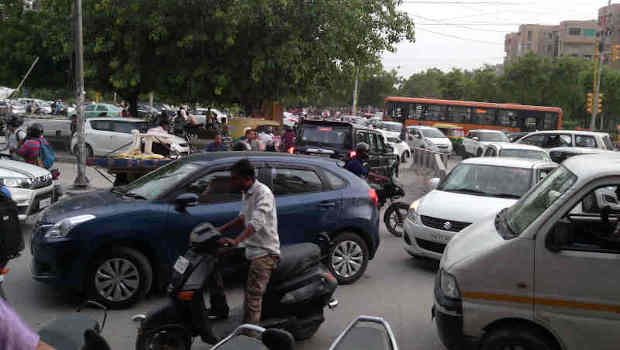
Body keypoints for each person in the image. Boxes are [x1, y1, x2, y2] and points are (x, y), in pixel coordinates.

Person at [212, 159, 280, 329]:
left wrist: (236, 240)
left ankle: (250, 337)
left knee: (253, 298)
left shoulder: (263, 193)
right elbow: (243, 217)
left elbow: (255, 223)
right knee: (213, 261)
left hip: (264, 252)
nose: (232, 182)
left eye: (235, 179)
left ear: (247, 178)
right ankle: (219, 309)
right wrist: (220, 229)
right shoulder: (247, 191)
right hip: (250, 247)